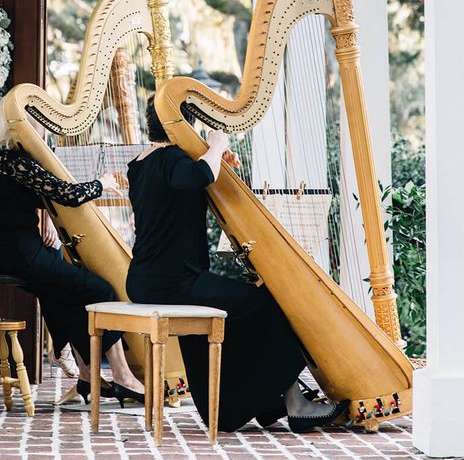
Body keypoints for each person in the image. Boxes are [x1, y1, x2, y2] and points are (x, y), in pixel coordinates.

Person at [125, 97, 349, 433]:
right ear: (184, 125)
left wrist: (218, 161)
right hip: (175, 282)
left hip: (147, 280)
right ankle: (293, 403)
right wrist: (217, 143)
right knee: (265, 305)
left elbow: (190, 184)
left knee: (231, 313)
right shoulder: (173, 159)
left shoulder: (141, 163)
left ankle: (254, 404)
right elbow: (198, 175)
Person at [0, 99, 144, 406]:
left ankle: (86, 375)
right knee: (99, 289)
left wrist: (49, 219)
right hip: (17, 250)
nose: (41, 129)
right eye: (36, 122)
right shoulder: (16, 160)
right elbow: (66, 194)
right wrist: (101, 183)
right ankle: (123, 376)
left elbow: (34, 198)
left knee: (61, 291)